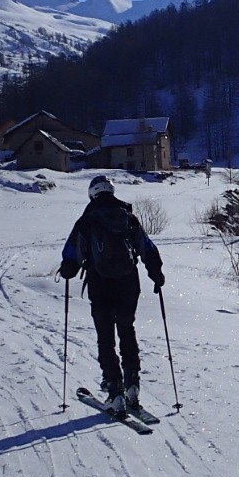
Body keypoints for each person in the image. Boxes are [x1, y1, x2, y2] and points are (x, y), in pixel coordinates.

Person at [59, 175, 165, 417]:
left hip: (100, 283)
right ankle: (132, 385)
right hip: (129, 283)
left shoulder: (87, 220)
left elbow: (72, 254)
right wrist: (156, 274)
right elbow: (147, 248)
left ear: (92, 194)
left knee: (105, 337)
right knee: (127, 330)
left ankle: (114, 391)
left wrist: (67, 269)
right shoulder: (128, 218)